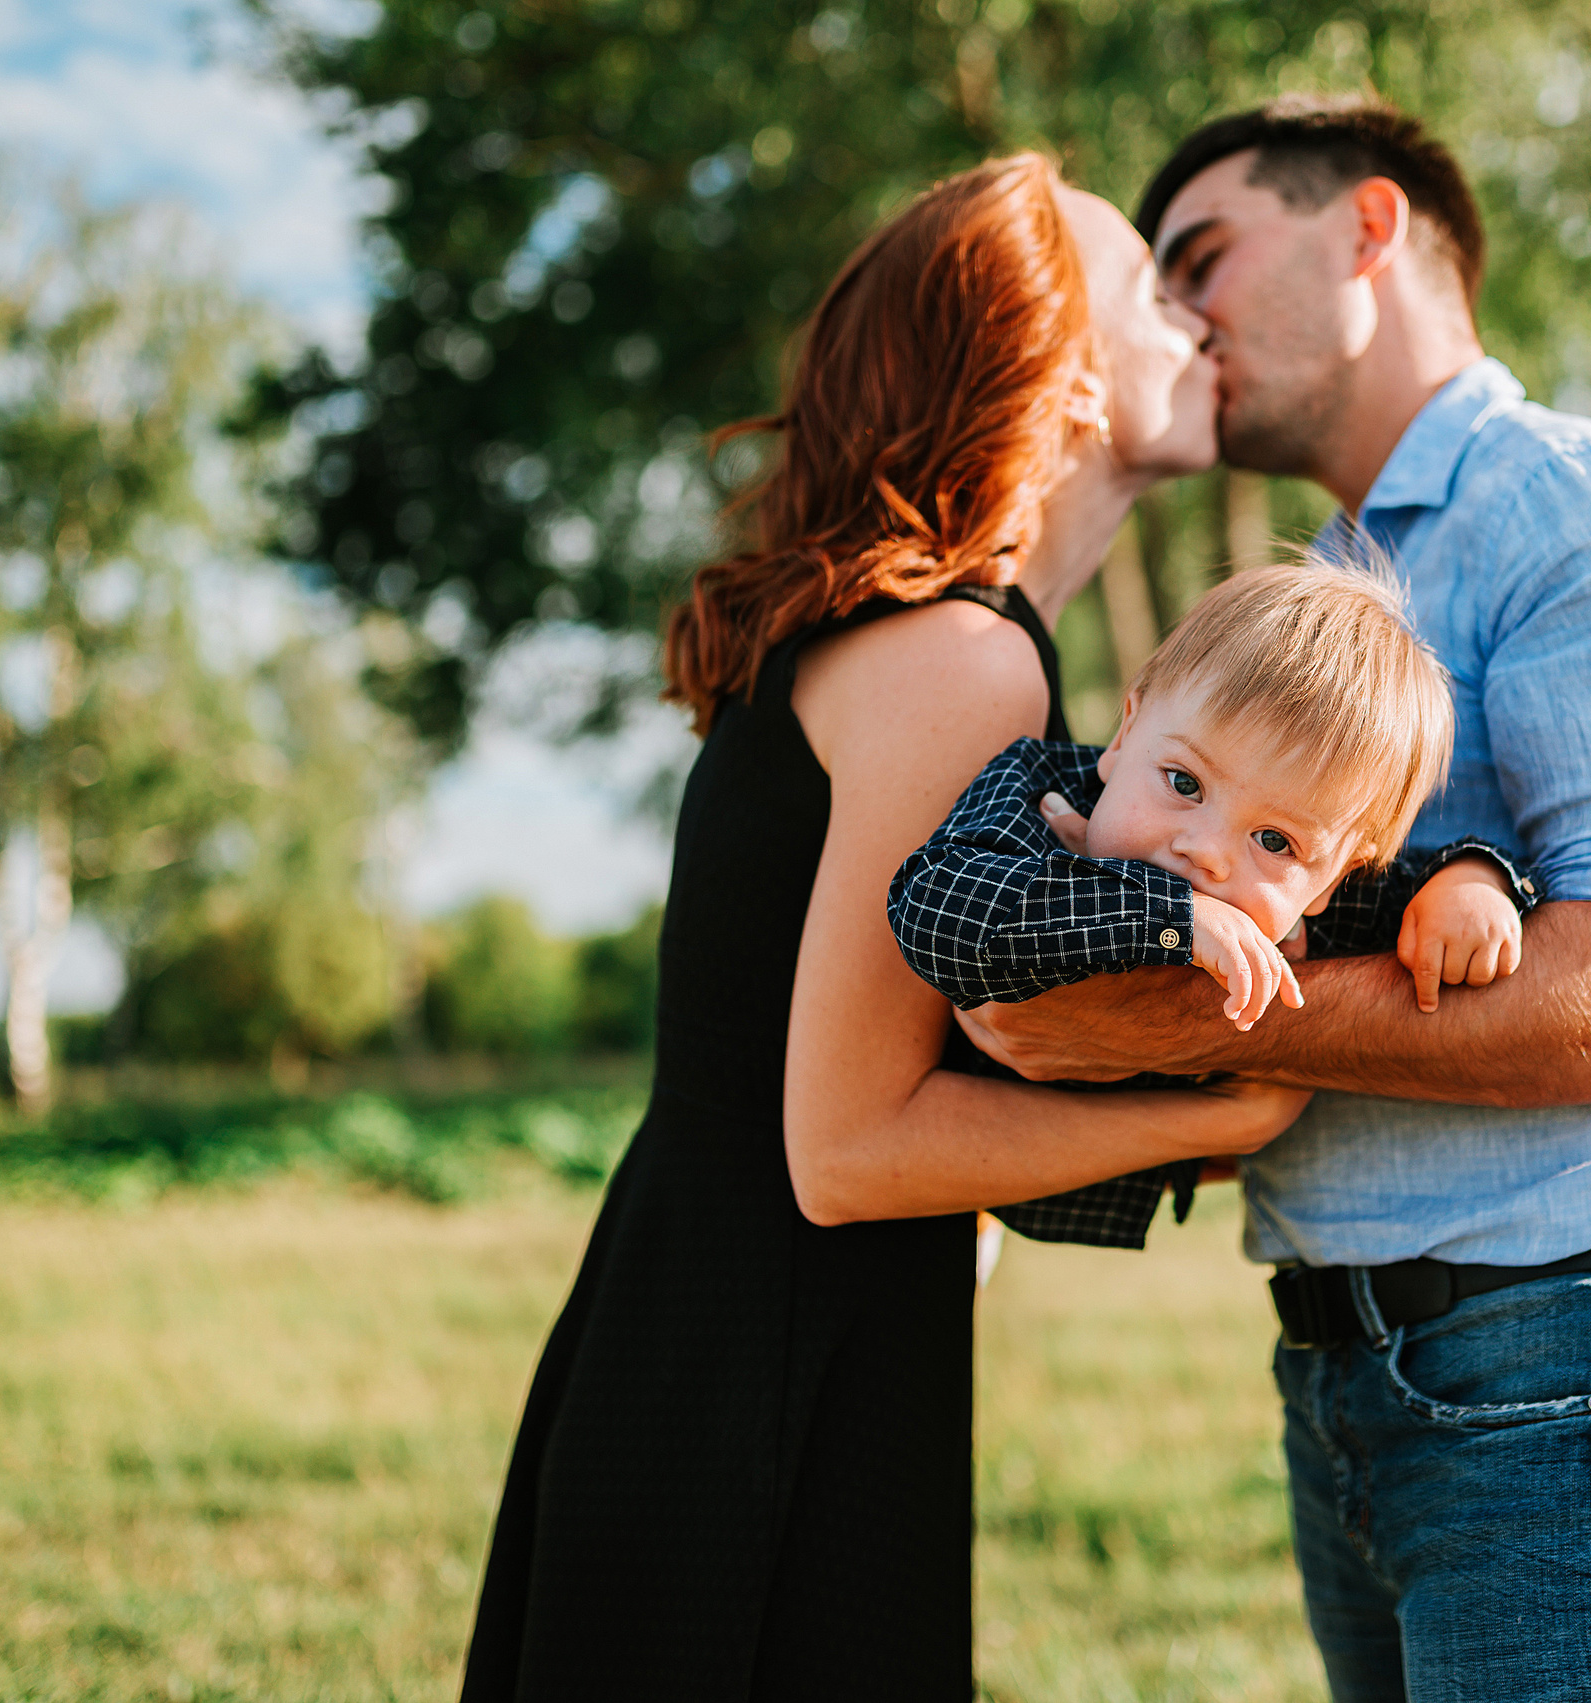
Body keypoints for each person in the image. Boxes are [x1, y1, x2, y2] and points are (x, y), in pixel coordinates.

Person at [958, 100, 1591, 1703]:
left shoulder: (1579, 519)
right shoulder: (1322, 586)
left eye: (1204, 255)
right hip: (1345, 1363)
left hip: (1557, 1358)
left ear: (1369, 228)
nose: (1183, 316)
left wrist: (1163, 1012)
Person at [458, 153, 1309, 1702]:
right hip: (758, 1370)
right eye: (1151, 292)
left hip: (728, 1327)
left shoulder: (925, 642)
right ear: (1056, 377)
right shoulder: (958, 664)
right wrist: (1227, 1113)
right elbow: (847, 1151)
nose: (1197, 327)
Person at [891, 560, 1535, 1033]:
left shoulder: (1327, 908)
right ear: (1125, 736)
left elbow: (1426, 898)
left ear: (1334, 879)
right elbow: (932, 911)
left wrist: (1470, 881)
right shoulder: (1043, 793)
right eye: (1184, 783)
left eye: (1275, 841)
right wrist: (1174, 919)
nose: (1206, 855)